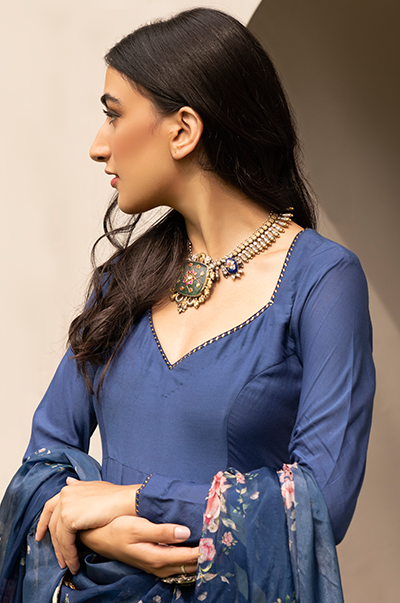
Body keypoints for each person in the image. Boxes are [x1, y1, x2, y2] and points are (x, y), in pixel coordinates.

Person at [0, 7, 374, 603]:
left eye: (113, 115)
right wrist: (108, 534)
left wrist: (136, 502)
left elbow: (319, 502)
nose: (98, 146)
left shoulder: (322, 280)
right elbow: (42, 461)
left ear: (183, 130)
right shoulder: (122, 283)